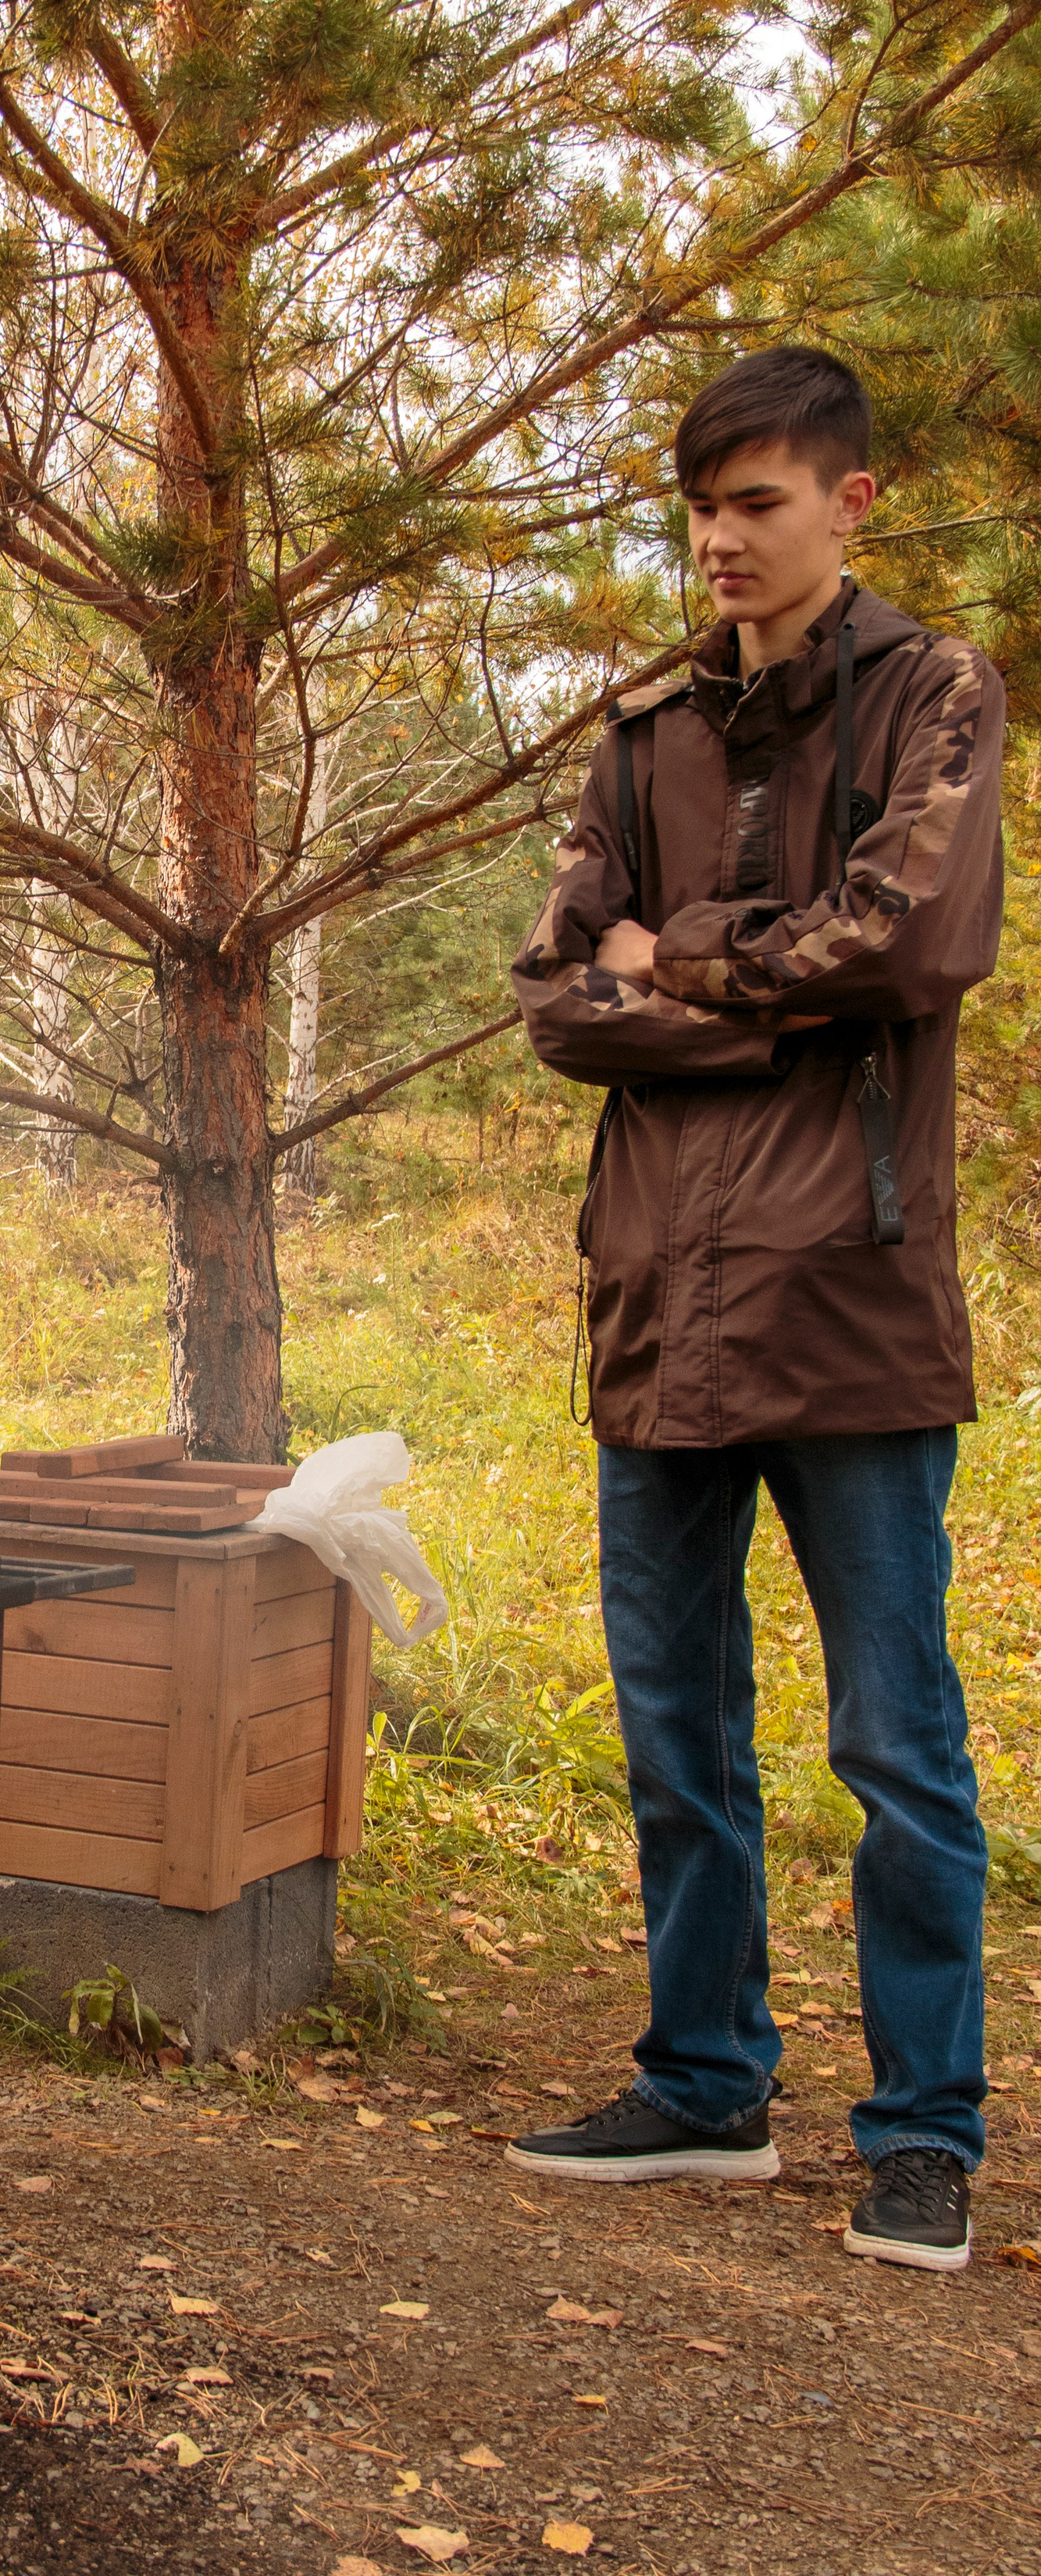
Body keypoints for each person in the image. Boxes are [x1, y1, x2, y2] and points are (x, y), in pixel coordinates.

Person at [508, 345, 1004, 2273]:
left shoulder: (933, 693)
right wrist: (750, 986)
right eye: (701, 505)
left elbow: (909, 941)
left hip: (850, 1304)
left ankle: (920, 2127)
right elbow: (555, 994)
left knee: (894, 1739)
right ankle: (702, 2083)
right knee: (672, 1727)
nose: (721, 538)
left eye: (760, 501)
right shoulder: (635, 736)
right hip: (658, 1300)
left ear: (847, 503)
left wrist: (682, 958)